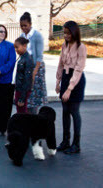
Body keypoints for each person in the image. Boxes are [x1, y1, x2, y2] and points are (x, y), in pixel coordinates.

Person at [55, 21, 87, 154]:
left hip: (76, 80)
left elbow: (79, 69)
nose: (66, 35)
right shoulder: (64, 45)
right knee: (65, 111)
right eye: (64, 33)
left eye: (68, 33)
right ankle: (65, 141)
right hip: (66, 78)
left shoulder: (81, 47)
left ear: (74, 32)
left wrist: (69, 88)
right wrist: (58, 81)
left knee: (74, 111)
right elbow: (61, 64)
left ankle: (76, 144)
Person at [19, 12, 48, 114]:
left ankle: (34, 120)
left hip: (36, 67)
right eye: (21, 26)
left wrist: (34, 72)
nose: (23, 28)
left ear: (30, 24)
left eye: (25, 25)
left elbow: (39, 56)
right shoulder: (22, 36)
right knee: (26, 96)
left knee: (34, 97)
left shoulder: (37, 36)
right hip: (26, 67)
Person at [13, 37, 34, 114]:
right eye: (15, 48)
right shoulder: (21, 58)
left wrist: (22, 98)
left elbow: (27, 79)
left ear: (24, 46)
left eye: (17, 47)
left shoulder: (27, 59)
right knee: (20, 111)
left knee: (22, 113)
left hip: (22, 91)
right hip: (19, 89)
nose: (16, 50)